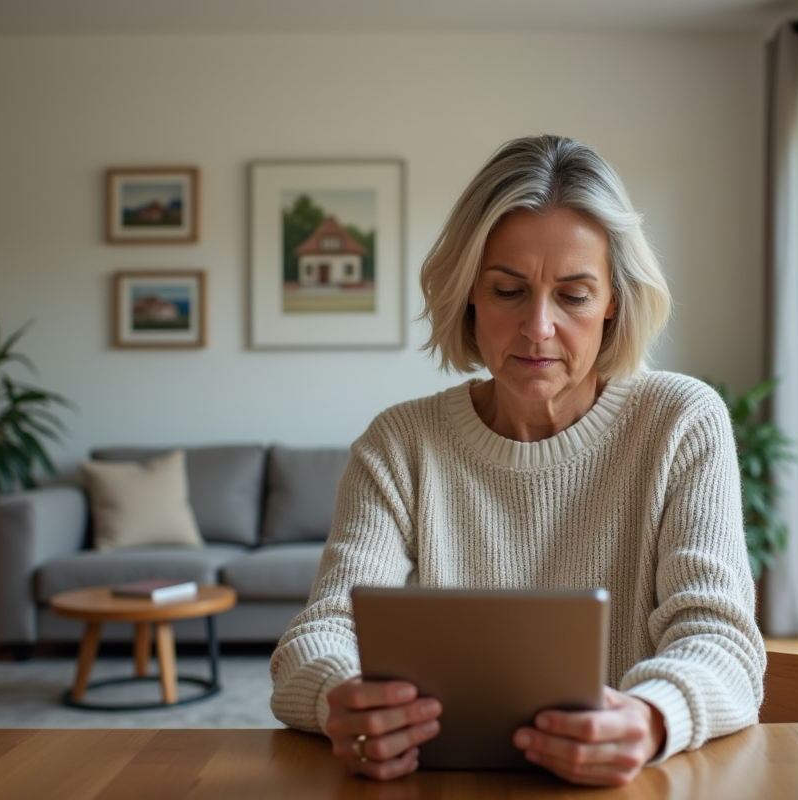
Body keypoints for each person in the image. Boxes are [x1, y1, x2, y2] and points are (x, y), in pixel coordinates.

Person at [270, 134, 765, 786]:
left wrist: (649, 717)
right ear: (469, 293)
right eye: (508, 290)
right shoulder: (400, 444)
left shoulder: (680, 422)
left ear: (614, 299)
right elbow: (318, 636)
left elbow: (721, 639)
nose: (538, 327)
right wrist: (340, 695)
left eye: (574, 294)